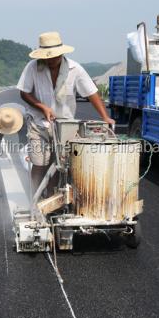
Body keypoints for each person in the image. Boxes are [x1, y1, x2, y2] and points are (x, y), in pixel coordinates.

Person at [17, 31, 114, 198]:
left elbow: (91, 93)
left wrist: (105, 117)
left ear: (61, 53)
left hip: (65, 126)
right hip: (38, 124)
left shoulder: (75, 69)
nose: (51, 60)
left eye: (54, 56)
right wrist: (42, 107)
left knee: (58, 164)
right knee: (40, 164)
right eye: (47, 57)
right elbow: (24, 93)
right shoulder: (33, 67)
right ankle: (33, 200)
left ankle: (51, 199)